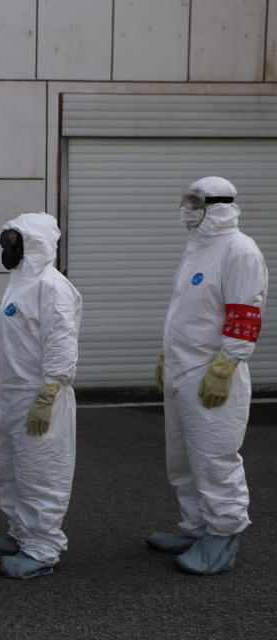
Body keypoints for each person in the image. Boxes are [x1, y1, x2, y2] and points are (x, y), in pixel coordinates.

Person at [149, 176, 267, 575]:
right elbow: (187, 310)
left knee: (215, 456)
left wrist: (225, 366)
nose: (189, 209)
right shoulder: (198, 249)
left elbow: (244, 312)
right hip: (184, 368)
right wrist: (169, 353)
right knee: (182, 458)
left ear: (218, 205)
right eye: (187, 201)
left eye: (196, 203)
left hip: (213, 372)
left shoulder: (239, 250)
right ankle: (196, 526)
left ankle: (222, 534)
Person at [0, 212, 82, 579]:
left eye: (13, 242)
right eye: (6, 242)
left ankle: (42, 547)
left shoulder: (51, 286)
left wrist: (48, 393)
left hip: (40, 396)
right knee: (12, 470)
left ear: (34, 243)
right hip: (12, 396)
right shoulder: (20, 282)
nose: (7, 249)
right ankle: (20, 533)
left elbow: (61, 344)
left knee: (41, 472)